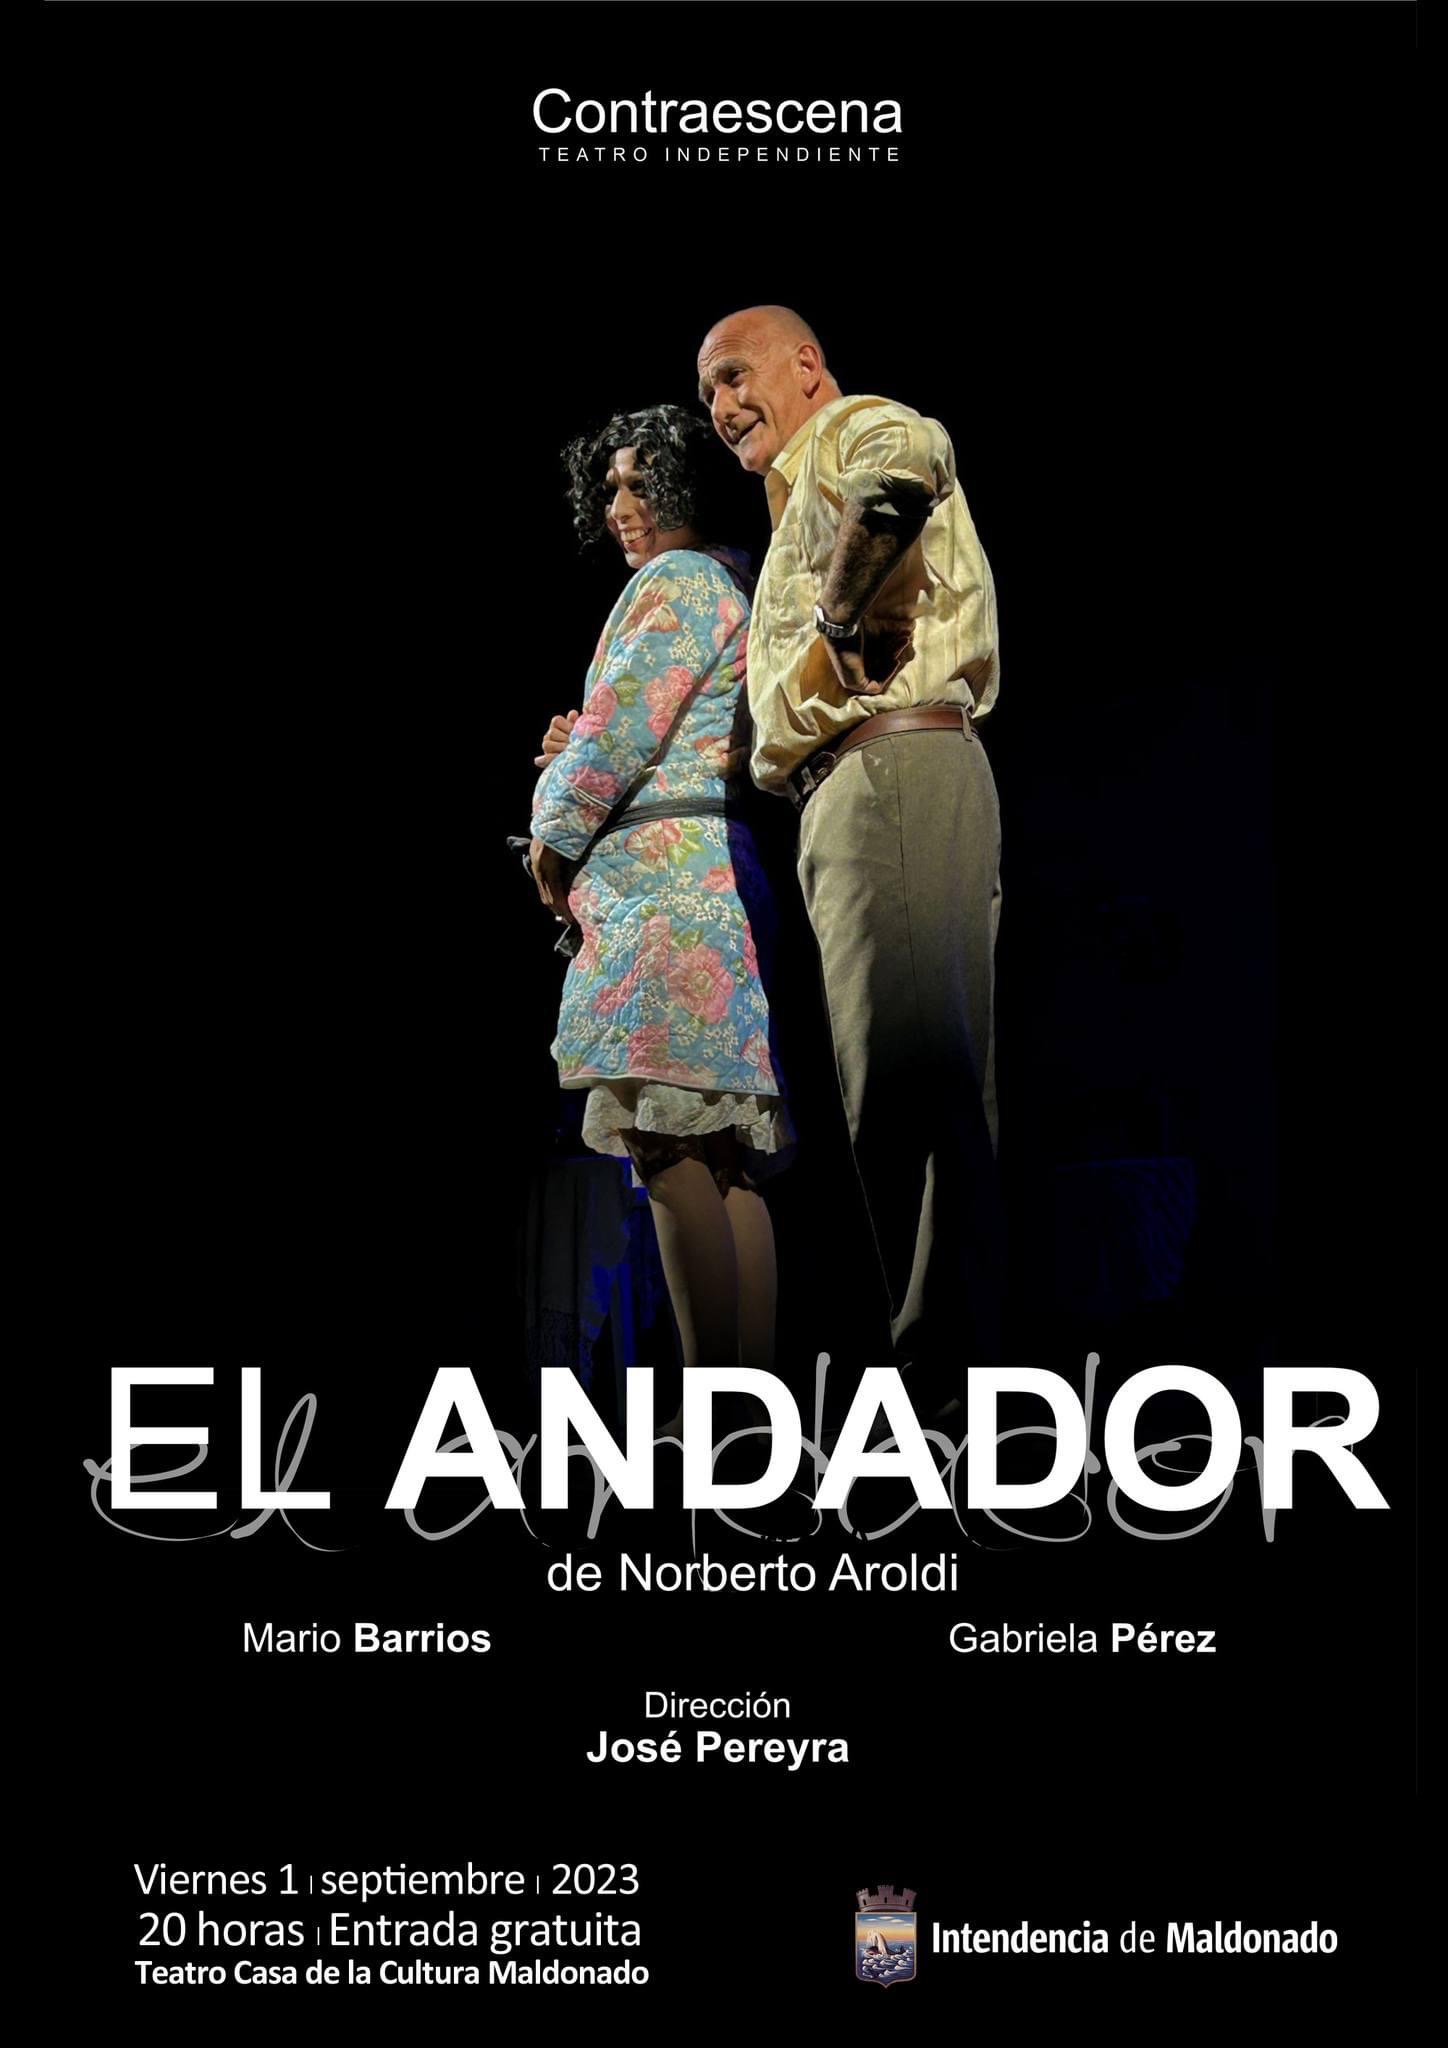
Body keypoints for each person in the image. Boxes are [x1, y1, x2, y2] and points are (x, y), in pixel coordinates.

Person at [696, 306, 1003, 1413]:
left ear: (806, 365)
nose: (724, 406)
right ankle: (945, 1385)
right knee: (894, 1100)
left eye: (736, 375)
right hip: (845, 790)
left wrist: (832, 615)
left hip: (890, 766)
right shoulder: (790, 505)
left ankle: (946, 1401)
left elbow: (903, 471)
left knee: (913, 1093)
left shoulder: (851, 427)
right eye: (709, 394)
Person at [529, 404, 789, 1415]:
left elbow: (621, 731)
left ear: (688, 487)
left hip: (662, 892)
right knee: (723, 1154)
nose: (620, 506)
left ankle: (715, 1409)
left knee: (668, 1141)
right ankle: (751, 1413)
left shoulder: (675, 581)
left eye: (641, 484)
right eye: (611, 488)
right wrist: (581, 739)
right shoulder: (728, 581)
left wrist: (551, 829)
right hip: (710, 877)